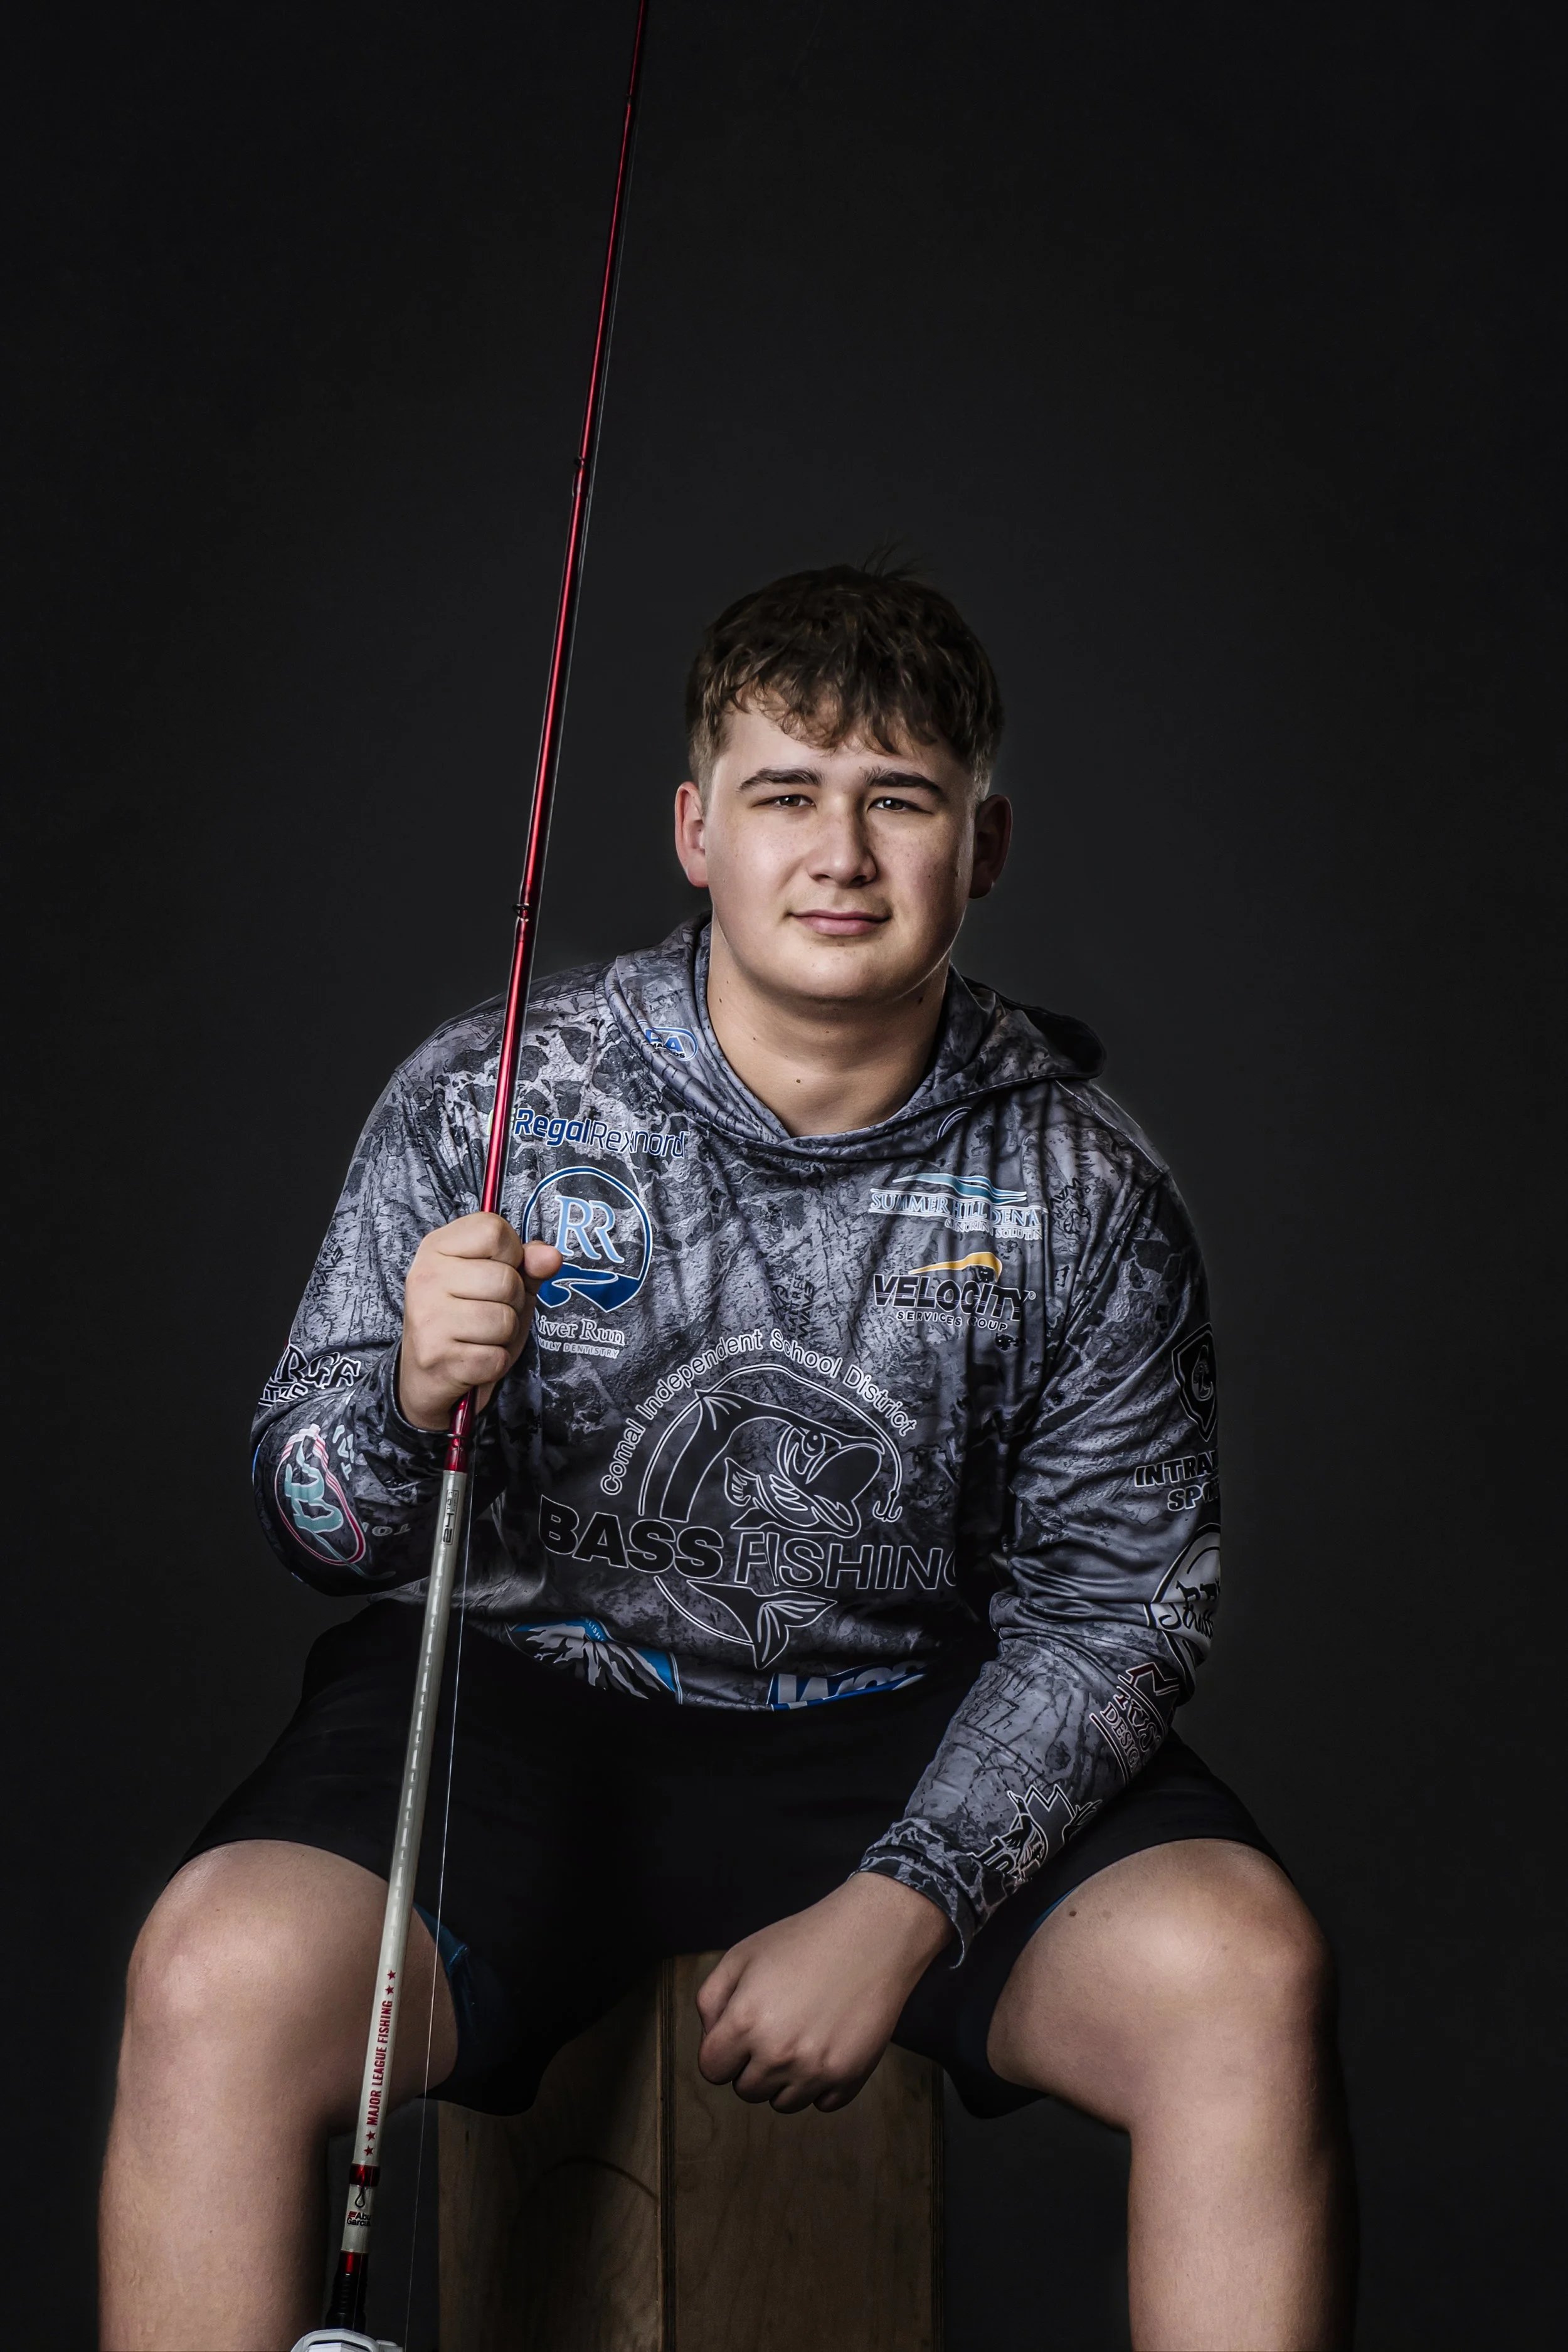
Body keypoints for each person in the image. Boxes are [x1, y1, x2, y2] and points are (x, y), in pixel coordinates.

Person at [99, 564, 1354, 2350]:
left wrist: (906, 1897)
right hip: (520, 1707)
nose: (838, 851)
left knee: (1243, 1969)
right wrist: (399, 1396)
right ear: (696, 829)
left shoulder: (1084, 1186)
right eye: (785, 795)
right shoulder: (490, 1102)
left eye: (898, 799)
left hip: (905, 1718)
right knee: (212, 1967)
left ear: (979, 849)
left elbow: (1118, 1612)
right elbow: (315, 1519)